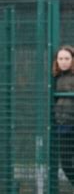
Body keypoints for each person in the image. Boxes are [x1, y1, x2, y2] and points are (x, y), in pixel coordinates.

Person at [52, 45, 74, 186]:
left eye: (67, 58)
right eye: (60, 58)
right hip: (63, 126)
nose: (64, 61)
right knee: (66, 164)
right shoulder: (55, 78)